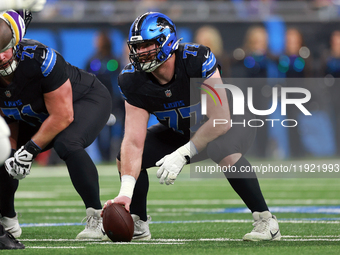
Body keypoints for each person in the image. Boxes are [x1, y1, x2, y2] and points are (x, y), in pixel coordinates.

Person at [102, 12, 281, 241]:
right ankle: (137, 220)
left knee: (221, 150)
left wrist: (183, 154)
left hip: (229, 122)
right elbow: (133, 141)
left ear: (166, 41)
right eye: (137, 47)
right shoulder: (132, 79)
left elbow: (220, 119)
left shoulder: (196, 59)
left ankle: (266, 220)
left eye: (148, 45)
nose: (141, 52)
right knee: (124, 156)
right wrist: (124, 194)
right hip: (182, 130)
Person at [0, 9, 112, 240]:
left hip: (83, 100)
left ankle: (96, 217)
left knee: (67, 143)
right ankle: (7, 220)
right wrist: (12, 153)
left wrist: (29, 151)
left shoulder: (39, 59)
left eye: (5, 49)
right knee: (2, 153)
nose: (2, 57)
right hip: (35, 115)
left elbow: (62, 116)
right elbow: (8, 120)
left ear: (15, 42)